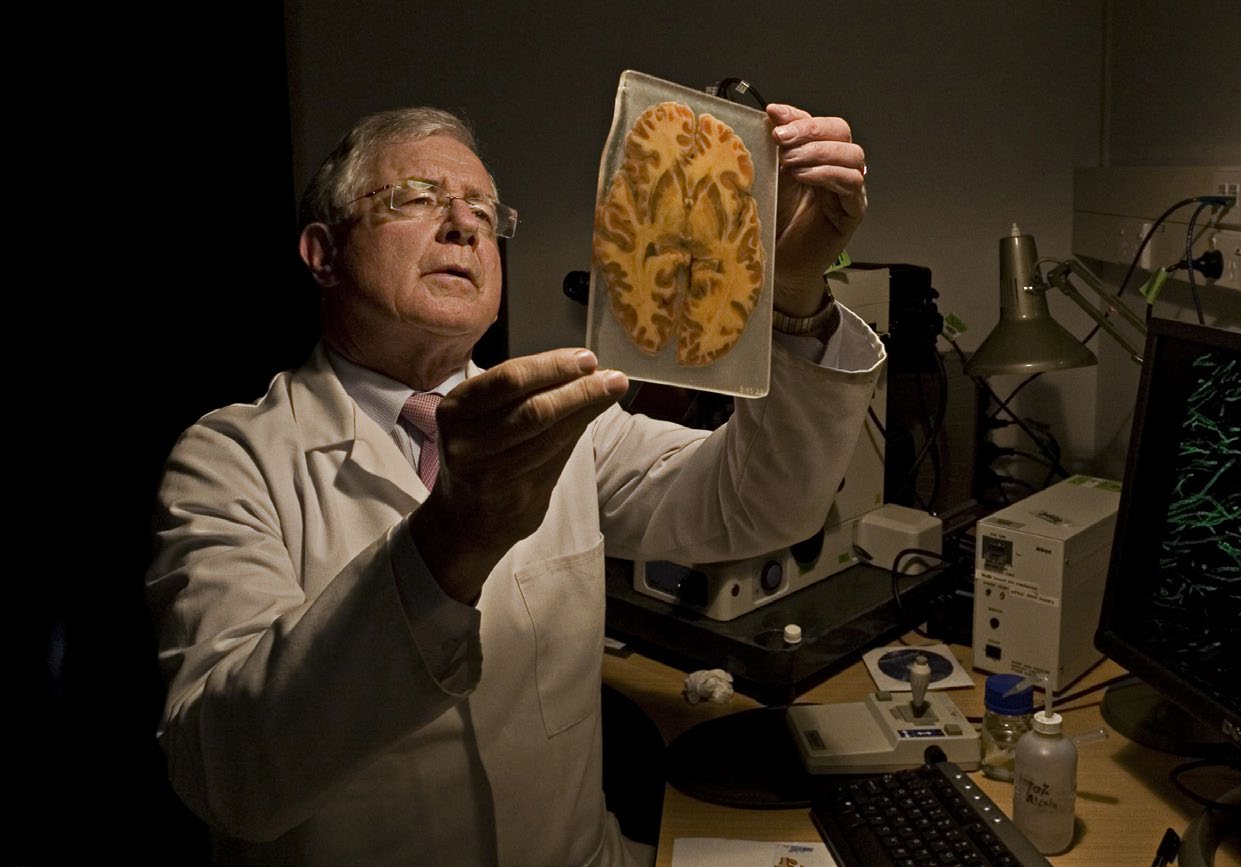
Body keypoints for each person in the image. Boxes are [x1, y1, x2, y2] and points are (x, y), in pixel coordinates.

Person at [146, 102, 883, 866]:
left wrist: (795, 295)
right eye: (418, 198)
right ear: (323, 252)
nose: (465, 226)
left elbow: (759, 503)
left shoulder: (558, 419)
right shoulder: (230, 460)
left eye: (484, 212)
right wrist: (446, 545)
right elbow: (229, 777)